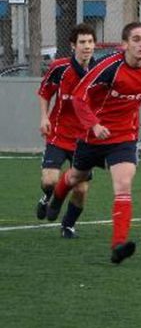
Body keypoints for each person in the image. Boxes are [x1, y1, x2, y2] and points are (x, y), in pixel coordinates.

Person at [44, 21, 141, 264]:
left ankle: (118, 245)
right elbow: (78, 97)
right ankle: (57, 196)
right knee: (75, 177)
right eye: (136, 39)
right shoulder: (109, 67)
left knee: (123, 184)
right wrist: (94, 124)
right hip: (93, 136)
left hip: (124, 137)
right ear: (124, 44)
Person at [35, 23, 98, 237]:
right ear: (73, 46)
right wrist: (44, 117)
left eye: (90, 42)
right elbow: (45, 93)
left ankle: (68, 225)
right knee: (49, 181)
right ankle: (47, 198)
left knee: (81, 190)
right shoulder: (60, 68)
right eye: (82, 42)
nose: (87, 46)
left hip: (85, 141)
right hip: (58, 134)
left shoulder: (101, 72)